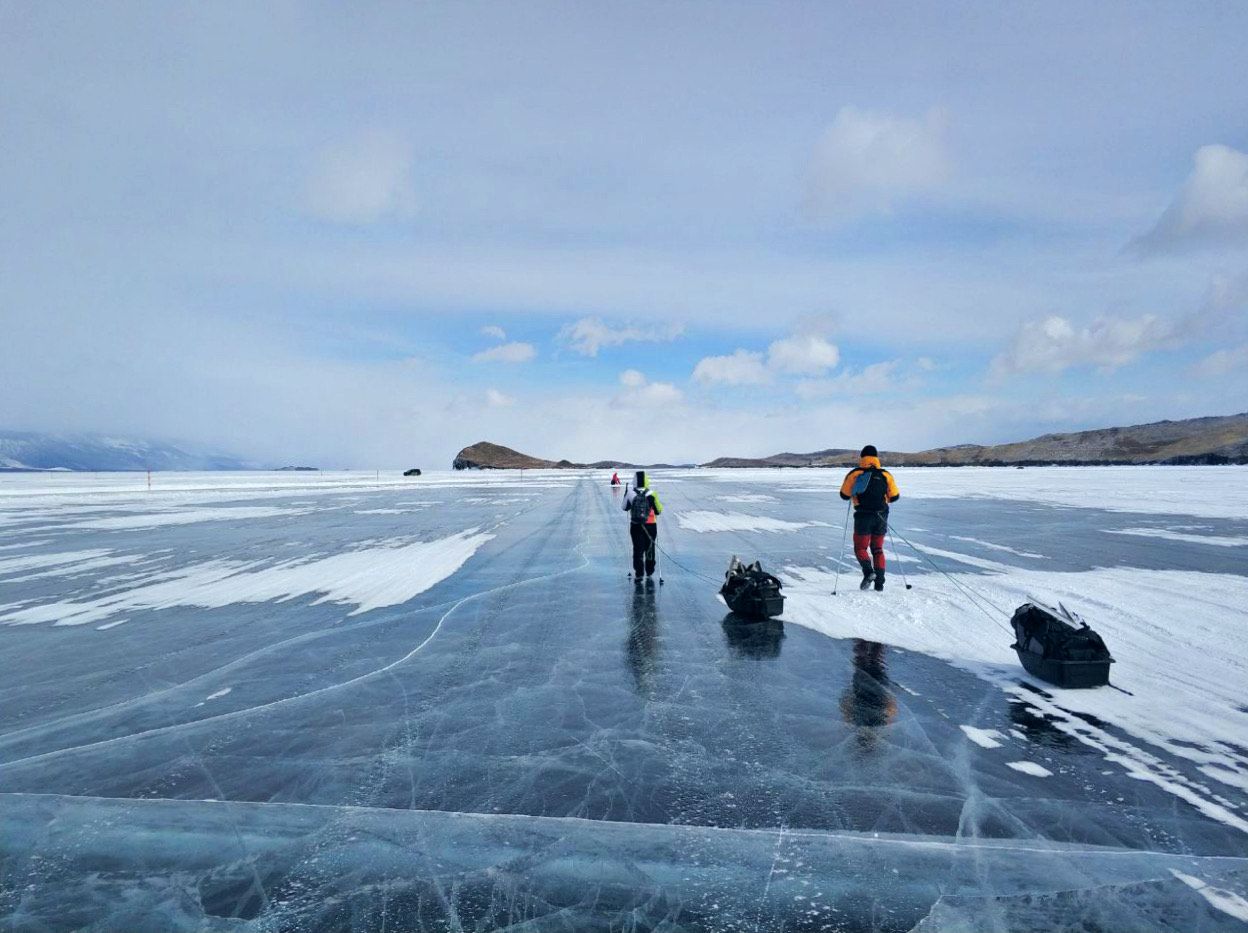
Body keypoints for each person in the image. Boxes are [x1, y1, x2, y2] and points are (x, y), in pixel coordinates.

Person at [839, 445, 900, 591]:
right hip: (881, 516)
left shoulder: (855, 474)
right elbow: (895, 496)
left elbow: (844, 495)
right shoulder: (885, 474)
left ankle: (868, 572)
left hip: (863, 516)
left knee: (860, 548)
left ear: (862, 458)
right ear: (876, 458)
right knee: (877, 549)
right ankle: (879, 583)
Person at [622, 470, 663, 582]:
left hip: (636, 526)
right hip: (651, 526)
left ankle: (639, 573)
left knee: (638, 549)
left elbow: (624, 507)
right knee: (650, 549)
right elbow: (658, 510)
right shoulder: (652, 493)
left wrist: (626, 495)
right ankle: (649, 571)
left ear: (634, 480)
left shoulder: (630, 493)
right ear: (647, 480)